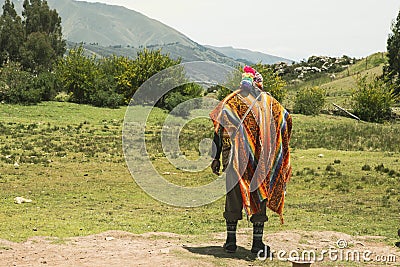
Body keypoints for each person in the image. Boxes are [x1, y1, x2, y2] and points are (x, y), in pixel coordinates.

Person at [210, 66, 292, 256]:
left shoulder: (231, 101)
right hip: (261, 161)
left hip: (234, 159)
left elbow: (218, 128)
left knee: (233, 196)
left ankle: (230, 242)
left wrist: (215, 158)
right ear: (259, 84)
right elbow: (287, 120)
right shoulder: (271, 103)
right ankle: (257, 244)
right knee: (260, 195)